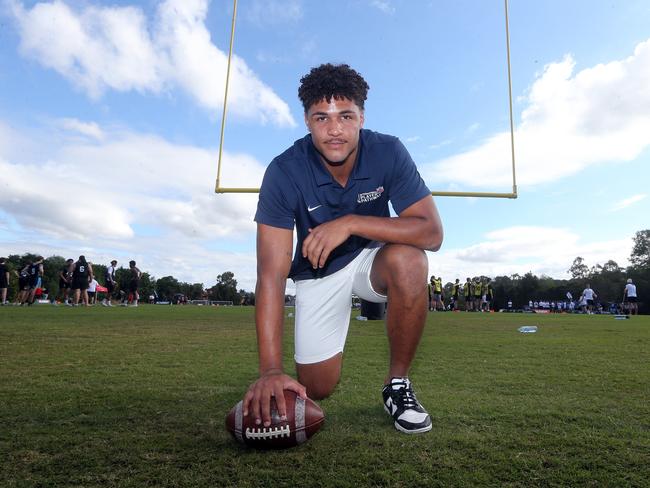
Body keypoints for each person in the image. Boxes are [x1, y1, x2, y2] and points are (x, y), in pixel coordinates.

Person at [243, 63, 443, 435]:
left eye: (346, 116)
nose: (335, 129)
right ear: (306, 120)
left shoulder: (387, 151)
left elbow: (431, 232)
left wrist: (349, 222)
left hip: (371, 258)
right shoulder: (284, 171)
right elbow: (270, 275)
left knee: (411, 260)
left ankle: (397, 385)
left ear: (362, 117)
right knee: (318, 388)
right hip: (319, 269)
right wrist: (271, 369)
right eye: (322, 117)